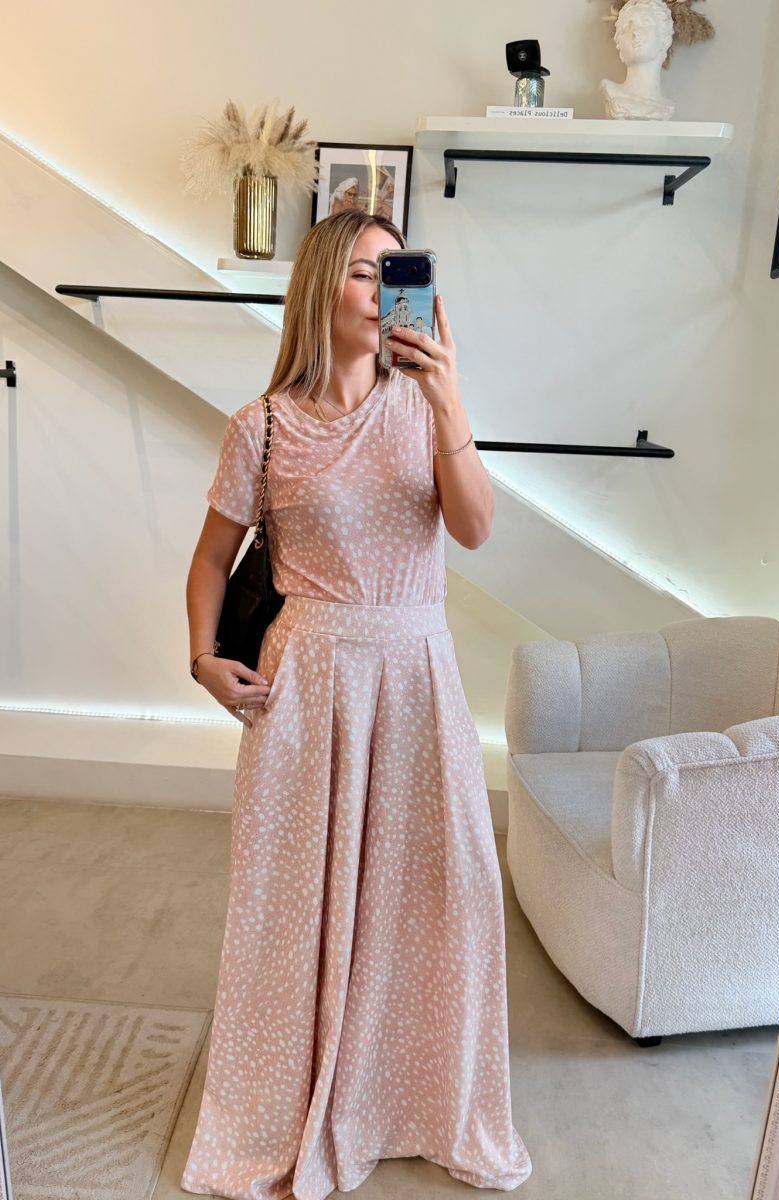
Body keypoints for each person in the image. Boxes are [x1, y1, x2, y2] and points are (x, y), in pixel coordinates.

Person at [181, 208, 532, 1199]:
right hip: (307, 688)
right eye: (369, 272)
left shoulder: (424, 408)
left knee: (442, 894)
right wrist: (202, 658)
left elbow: (475, 528)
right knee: (291, 906)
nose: (387, 291)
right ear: (321, 286)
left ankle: (406, 1097)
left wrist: (449, 398)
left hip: (417, 679)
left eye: (399, 272)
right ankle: (285, 1100)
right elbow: (210, 561)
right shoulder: (261, 426)